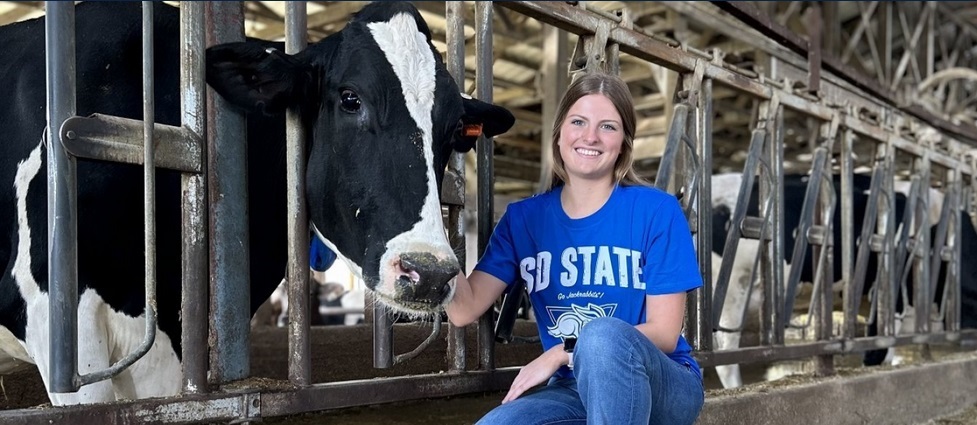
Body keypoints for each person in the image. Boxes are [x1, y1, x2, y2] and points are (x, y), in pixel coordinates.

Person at [445, 72, 704, 425]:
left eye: (608, 127)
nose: (590, 137)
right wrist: (427, 226)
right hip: (574, 390)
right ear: (560, 133)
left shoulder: (656, 211)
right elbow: (464, 308)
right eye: (578, 121)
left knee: (601, 335)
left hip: (664, 384)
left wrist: (560, 353)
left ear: (624, 142)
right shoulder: (524, 219)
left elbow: (665, 332)